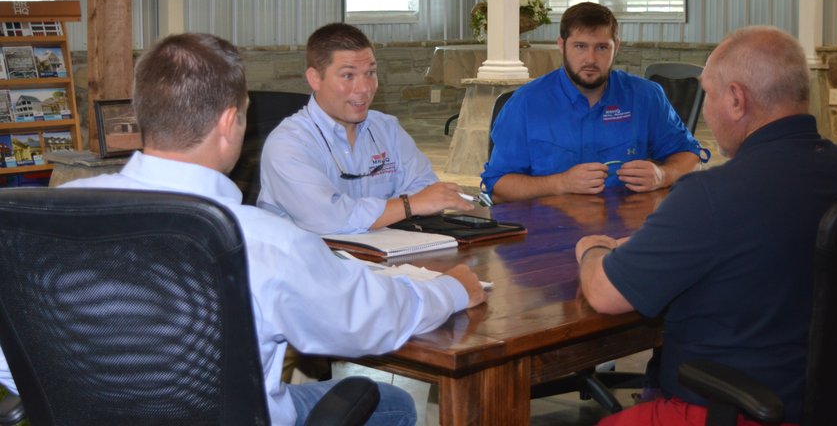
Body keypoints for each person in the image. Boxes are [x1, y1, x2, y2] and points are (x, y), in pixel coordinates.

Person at [2, 33, 486, 426]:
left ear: (142, 115)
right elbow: (369, 321)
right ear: (231, 122)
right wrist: (451, 290)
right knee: (392, 404)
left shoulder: (41, 222)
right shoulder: (260, 240)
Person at [576, 26, 837, 426]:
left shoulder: (711, 195)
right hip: (834, 402)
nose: (708, 111)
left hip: (729, 410)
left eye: (710, 95)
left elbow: (603, 294)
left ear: (736, 99)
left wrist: (593, 250)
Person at [258, 23, 474, 234]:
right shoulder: (288, 144)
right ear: (315, 78)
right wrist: (408, 205)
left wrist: (412, 204)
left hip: (387, 257)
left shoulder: (387, 129)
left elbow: (425, 187)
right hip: (312, 264)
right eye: (348, 75)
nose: (364, 88)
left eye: (370, 73)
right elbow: (330, 218)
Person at [481, 2, 704, 203]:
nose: (590, 59)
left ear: (616, 46)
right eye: (580, 46)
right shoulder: (526, 103)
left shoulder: (645, 96)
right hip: (549, 233)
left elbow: (691, 157)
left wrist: (662, 175)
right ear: (561, 45)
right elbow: (499, 186)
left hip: (629, 233)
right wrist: (561, 183)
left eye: (601, 47)